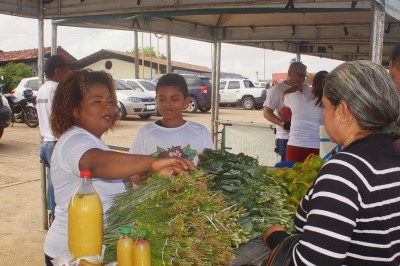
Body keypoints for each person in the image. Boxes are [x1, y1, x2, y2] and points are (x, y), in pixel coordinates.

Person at [43, 70, 196, 265]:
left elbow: (115, 172)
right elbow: (96, 163)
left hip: (95, 253)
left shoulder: (94, 142)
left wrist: (148, 174)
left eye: (109, 100)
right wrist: (152, 161)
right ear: (75, 109)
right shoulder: (74, 140)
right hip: (72, 255)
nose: (107, 106)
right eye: (97, 101)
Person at [263, 60, 400, 265]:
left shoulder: (345, 171)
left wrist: (277, 239)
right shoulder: (392, 156)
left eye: (326, 106)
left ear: (343, 111)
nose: (323, 114)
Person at [129, 73, 214, 167]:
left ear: (186, 102)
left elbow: (210, 169)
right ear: (156, 100)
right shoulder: (145, 132)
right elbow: (134, 171)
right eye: (162, 99)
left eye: (174, 99)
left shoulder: (201, 132)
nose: (167, 104)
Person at [37, 54, 72, 223]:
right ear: (58, 71)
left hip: (46, 143)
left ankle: (55, 222)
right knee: (61, 190)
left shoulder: (42, 89)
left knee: (54, 188)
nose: (69, 73)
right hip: (56, 144)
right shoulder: (57, 89)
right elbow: (63, 119)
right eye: (67, 70)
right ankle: (59, 225)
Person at [263, 62, 309, 162]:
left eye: (304, 76)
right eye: (299, 75)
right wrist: (282, 124)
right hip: (286, 138)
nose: (301, 78)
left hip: (305, 138)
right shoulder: (276, 90)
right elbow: (266, 113)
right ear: (289, 73)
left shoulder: (306, 89)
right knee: (288, 171)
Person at [282, 70, 328, 162]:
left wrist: (296, 87)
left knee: (292, 175)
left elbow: (283, 95)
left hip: (295, 146)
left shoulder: (298, 98)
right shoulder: (329, 103)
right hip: (319, 147)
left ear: (313, 83)